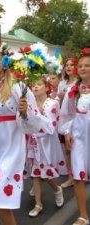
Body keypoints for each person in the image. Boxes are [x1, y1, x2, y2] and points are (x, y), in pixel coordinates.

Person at [0, 41, 46, 225]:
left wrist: (24, 113)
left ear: (4, 64)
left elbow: (33, 124)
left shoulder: (17, 88)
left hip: (11, 148)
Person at [59, 48, 90, 225]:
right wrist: (68, 131)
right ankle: (83, 216)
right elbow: (68, 114)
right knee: (78, 176)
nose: (83, 68)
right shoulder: (74, 89)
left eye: (87, 65)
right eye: (81, 65)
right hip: (79, 137)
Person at [26, 76, 65, 217]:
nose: (35, 87)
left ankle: (57, 189)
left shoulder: (52, 103)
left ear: (46, 87)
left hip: (46, 143)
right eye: (33, 85)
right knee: (35, 173)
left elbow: (51, 127)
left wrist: (38, 117)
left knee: (47, 173)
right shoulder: (30, 104)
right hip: (33, 142)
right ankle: (38, 204)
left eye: (39, 84)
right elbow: (29, 124)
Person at [57, 58, 79, 189]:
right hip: (65, 120)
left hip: (77, 119)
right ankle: (71, 177)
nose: (69, 67)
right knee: (67, 149)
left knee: (79, 149)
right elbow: (58, 102)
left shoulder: (79, 83)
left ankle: (81, 174)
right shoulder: (62, 83)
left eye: (72, 65)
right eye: (67, 65)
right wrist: (59, 97)